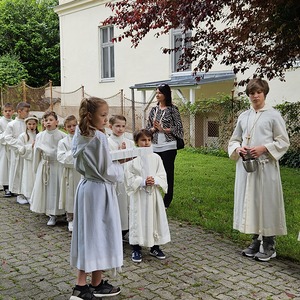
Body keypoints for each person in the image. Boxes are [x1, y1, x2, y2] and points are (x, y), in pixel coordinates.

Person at [228, 78, 290, 262]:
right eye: (251, 93)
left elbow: (283, 142)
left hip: (265, 167)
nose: (255, 96)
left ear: (264, 93)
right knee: (252, 203)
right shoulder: (244, 116)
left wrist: (264, 148)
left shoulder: (273, 116)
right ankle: (256, 241)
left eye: (258, 92)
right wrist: (237, 149)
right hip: (247, 168)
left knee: (267, 203)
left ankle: (269, 245)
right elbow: (234, 140)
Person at [70, 97, 123, 300]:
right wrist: (122, 163)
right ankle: (81, 286)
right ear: (90, 116)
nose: (106, 118)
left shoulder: (81, 133)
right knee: (93, 236)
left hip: (87, 188)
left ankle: (97, 282)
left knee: (94, 234)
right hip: (99, 191)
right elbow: (107, 171)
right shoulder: (97, 138)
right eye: (103, 115)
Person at [124, 129, 170, 263]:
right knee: (138, 219)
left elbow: (162, 174)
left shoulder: (156, 157)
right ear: (137, 142)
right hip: (139, 194)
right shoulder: (132, 158)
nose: (147, 143)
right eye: (143, 140)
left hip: (153, 195)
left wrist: (154, 180)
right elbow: (128, 176)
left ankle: (155, 246)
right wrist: (142, 181)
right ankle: (136, 247)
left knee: (154, 219)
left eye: (149, 140)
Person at [146, 83, 184, 208]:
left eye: (160, 93)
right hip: (155, 145)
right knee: (153, 171)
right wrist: (153, 129)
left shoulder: (173, 109)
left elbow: (179, 129)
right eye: (156, 93)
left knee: (168, 172)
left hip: (169, 145)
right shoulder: (154, 110)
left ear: (166, 95)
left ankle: (167, 200)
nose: (157, 95)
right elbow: (148, 128)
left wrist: (164, 129)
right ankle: (153, 197)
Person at [30, 111, 67, 226]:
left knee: (57, 189)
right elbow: (37, 151)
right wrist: (36, 167)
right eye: (46, 120)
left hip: (57, 165)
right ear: (43, 123)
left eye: (51, 120)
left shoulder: (62, 136)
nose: (48, 122)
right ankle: (51, 213)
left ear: (57, 122)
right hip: (45, 164)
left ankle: (60, 211)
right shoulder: (40, 135)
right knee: (47, 189)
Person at [108, 115, 135, 240]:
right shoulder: (107, 142)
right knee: (118, 204)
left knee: (129, 204)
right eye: (117, 126)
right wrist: (120, 154)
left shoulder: (129, 142)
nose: (120, 129)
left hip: (127, 177)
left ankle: (129, 228)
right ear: (110, 126)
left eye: (123, 126)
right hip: (115, 179)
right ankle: (117, 230)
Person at [57, 115, 81, 232]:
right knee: (70, 196)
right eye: (69, 126)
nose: (72, 128)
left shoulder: (82, 138)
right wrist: (74, 153)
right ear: (65, 128)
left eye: (74, 125)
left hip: (82, 173)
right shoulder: (63, 142)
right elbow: (61, 158)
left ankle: (81, 218)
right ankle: (70, 218)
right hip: (70, 173)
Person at [4, 102, 30, 198]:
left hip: (26, 151)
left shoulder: (28, 123)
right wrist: (19, 145)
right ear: (19, 111)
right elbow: (7, 138)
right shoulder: (12, 124)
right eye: (26, 111)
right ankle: (14, 189)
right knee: (15, 170)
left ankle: (24, 190)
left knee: (25, 170)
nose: (28, 113)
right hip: (16, 152)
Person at [17, 115, 39, 204]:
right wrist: (31, 146)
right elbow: (20, 149)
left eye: (33, 124)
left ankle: (36, 195)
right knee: (28, 177)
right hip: (28, 161)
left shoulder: (39, 135)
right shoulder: (22, 136)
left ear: (37, 124)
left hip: (37, 160)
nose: (31, 126)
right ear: (26, 124)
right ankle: (28, 195)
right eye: (29, 124)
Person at [0, 103, 14, 196]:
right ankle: (5, 187)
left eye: (9, 111)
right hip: (3, 147)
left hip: (12, 148)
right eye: (6, 111)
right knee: (4, 166)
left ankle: (12, 186)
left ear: (13, 111)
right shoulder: (0, 121)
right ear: (2, 112)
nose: (8, 113)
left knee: (11, 167)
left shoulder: (13, 122)